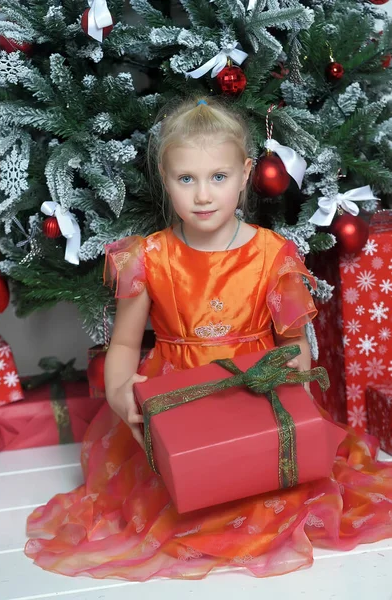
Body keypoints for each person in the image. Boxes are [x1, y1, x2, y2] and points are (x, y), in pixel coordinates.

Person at [25, 98, 392, 581]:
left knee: (270, 491)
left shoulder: (270, 255)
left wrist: (289, 381)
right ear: (164, 176)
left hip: (252, 394)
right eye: (186, 179)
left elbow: (294, 342)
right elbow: (122, 346)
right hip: (181, 397)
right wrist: (118, 393)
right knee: (176, 498)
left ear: (244, 175)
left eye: (218, 177)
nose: (202, 195)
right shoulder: (149, 257)